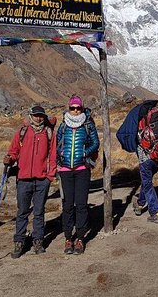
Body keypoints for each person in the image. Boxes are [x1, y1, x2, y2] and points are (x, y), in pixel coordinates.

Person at [3, 105, 56, 258]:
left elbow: (53, 155)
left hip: (41, 179)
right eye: (36, 115)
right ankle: (19, 242)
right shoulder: (22, 132)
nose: (38, 118)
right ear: (31, 116)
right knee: (22, 212)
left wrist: (49, 176)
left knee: (39, 212)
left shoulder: (49, 132)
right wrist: (10, 159)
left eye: (41, 116)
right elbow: (14, 151)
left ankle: (38, 240)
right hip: (23, 178)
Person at [56, 95, 99, 255]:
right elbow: (57, 143)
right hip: (65, 171)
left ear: (82, 108)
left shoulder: (87, 125)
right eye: (72, 108)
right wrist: (59, 156)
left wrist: (84, 153)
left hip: (82, 169)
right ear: (69, 108)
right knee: (67, 205)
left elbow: (96, 143)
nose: (75, 111)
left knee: (81, 205)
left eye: (78, 108)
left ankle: (80, 238)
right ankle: (68, 238)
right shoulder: (63, 126)